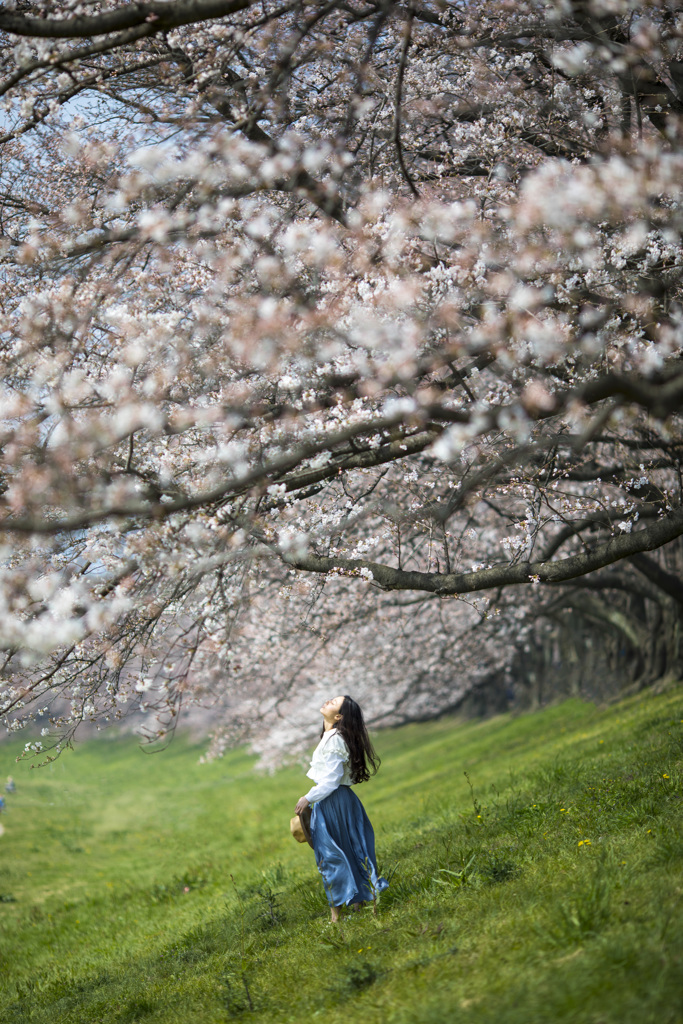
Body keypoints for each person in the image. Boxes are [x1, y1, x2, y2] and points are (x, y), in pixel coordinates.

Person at [295, 694, 388, 922]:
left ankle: (336, 916)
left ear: (338, 716)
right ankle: (357, 903)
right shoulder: (330, 735)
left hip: (335, 801)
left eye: (333, 703)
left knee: (329, 855)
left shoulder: (335, 738)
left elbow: (331, 780)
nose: (327, 701)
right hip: (336, 800)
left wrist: (308, 797)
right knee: (344, 849)